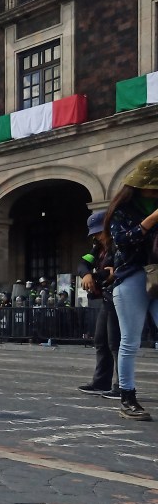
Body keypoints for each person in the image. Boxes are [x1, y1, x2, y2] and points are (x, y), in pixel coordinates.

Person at [105, 158, 158, 420]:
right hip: (132, 277)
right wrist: (153, 218)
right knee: (130, 341)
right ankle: (127, 397)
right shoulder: (122, 211)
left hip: (157, 275)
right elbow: (124, 241)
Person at [76, 211, 119, 397]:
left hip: (121, 295)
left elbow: (122, 268)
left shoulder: (119, 243)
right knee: (101, 340)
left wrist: (108, 273)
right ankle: (101, 382)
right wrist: (87, 274)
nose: (96, 236)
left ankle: (122, 386)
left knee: (116, 342)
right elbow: (82, 264)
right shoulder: (98, 248)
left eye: (99, 232)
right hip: (107, 297)